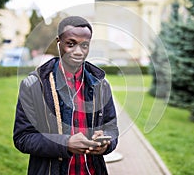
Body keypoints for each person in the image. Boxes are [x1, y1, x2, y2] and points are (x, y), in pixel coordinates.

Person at [13, 16, 119, 175]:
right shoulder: (33, 85)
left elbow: (111, 129)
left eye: (84, 45)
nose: (78, 51)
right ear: (58, 42)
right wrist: (65, 144)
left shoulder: (101, 85)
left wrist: (106, 142)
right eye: (71, 44)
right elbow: (23, 138)